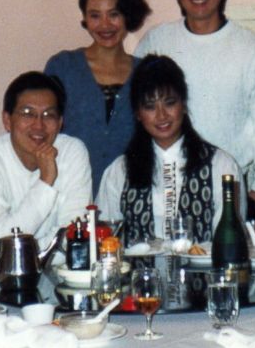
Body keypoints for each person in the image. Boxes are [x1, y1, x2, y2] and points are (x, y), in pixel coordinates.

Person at [135, 0, 255, 212]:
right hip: (162, 184)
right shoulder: (156, 41)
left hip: (230, 188)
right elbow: (140, 111)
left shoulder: (253, 49)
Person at [96, 55, 244, 244]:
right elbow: (106, 240)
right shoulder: (119, 171)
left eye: (170, 103)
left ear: (183, 104)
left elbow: (230, 243)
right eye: (150, 106)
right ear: (138, 114)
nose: (161, 115)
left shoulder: (221, 166)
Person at [44, 0, 152, 194]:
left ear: (127, 16)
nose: (105, 25)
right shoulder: (63, 66)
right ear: (85, 19)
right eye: (95, 15)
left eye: (114, 14)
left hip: (130, 192)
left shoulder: (146, 72)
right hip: (71, 191)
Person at [0, 72, 92, 247]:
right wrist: (46, 182)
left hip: (59, 270)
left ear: (60, 122)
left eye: (49, 115)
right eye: (27, 113)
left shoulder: (72, 151)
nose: (39, 125)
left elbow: (74, 235)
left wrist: (29, 253)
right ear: (7, 120)